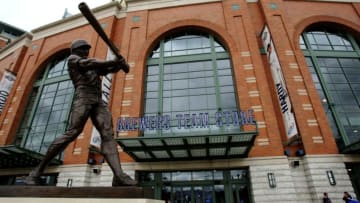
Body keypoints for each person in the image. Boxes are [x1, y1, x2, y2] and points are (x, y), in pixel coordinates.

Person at [25, 39, 137, 186]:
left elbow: (108, 69)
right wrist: (114, 62)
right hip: (83, 98)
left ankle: (119, 175)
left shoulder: (92, 65)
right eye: (83, 49)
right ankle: (37, 171)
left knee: (108, 135)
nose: (86, 51)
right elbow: (91, 63)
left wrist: (119, 64)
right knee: (73, 132)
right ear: (75, 50)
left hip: (98, 101)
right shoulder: (73, 60)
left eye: (87, 49)